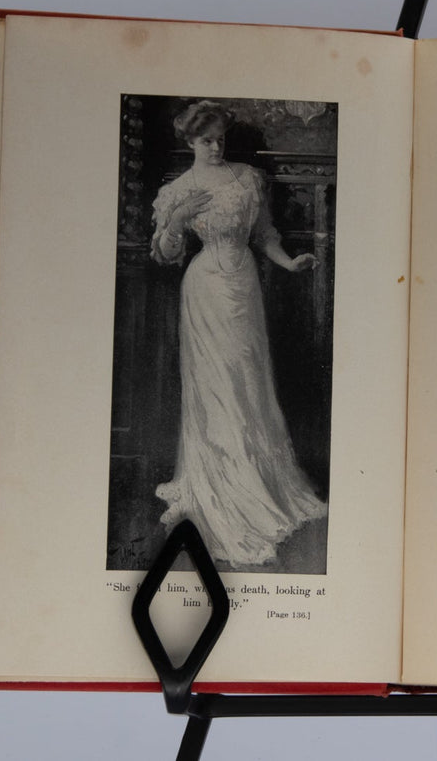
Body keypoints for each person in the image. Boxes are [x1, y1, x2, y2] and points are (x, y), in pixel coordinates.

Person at [150, 100, 326, 567]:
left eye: (220, 139)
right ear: (190, 141)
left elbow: (264, 234)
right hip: (204, 290)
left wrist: (290, 263)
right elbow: (165, 253)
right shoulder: (179, 190)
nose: (215, 147)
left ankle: (260, 480)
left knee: (248, 381)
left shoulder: (247, 178)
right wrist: (175, 219)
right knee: (215, 387)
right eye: (206, 140)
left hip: (244, 288)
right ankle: (220, 485)